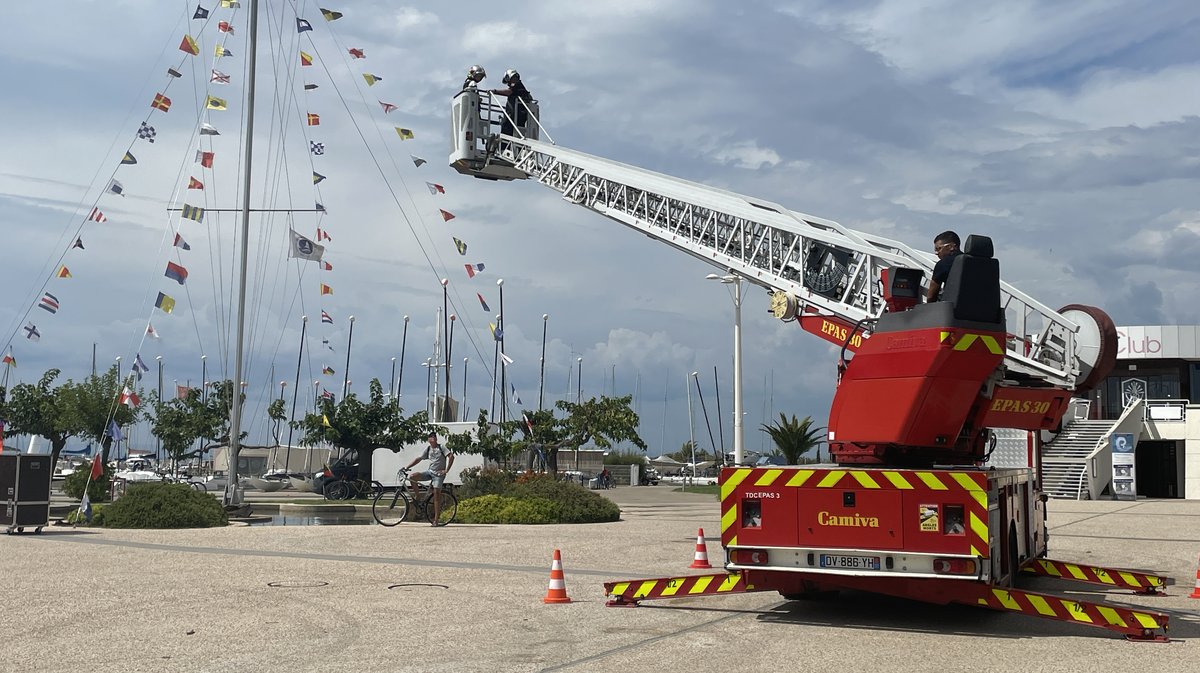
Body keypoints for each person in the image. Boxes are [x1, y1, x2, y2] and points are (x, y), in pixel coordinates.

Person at [406, 431, 455, 525]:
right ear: (428, 439)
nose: (433, 438)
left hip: (439, 474)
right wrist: (407, 467)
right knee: (412, 477)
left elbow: (451, 457)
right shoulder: (428, 449)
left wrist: (446, 470)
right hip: (430, 472)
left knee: (436, 493)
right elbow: (419, 459)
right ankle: (418, 497)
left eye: (434, 436)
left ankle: (436, 520)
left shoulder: (441, 447)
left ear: (436, 438)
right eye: (430, 437)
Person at [490, 69, 533, 137]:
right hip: (517, 116)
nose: (508, 83)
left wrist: (495, 91)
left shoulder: (518, 86)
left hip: (515, 116)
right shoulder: (520, 87)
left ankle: (502, 145)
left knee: (506, 131)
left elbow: (509, 92)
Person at [926, 230, 962, 302]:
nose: (936, 253)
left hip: (951, 310)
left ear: (951, 246)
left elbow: (931, 297)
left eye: (939, 249)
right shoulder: (984, 265)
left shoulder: (943, 264)